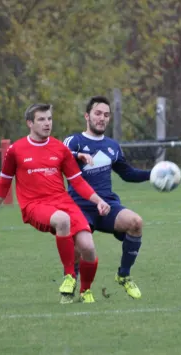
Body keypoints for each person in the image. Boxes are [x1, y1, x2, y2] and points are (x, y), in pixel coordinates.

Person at [0, 103, 111, 304]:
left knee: (88, 247)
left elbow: (77, 181)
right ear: (30, 123)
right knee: (62, 220)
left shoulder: (60, 148)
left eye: (49, 119)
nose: (47, 123)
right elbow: (3, 183)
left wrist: (98, 201)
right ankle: (69, 276)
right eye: (41, 119)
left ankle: (85, 292)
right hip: (34, 205)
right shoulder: (16, 150)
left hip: (63, 201)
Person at [63, 96, 151, 299]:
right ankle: (72, 281)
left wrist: (152, 175)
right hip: (80, 206)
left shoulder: (112, 146)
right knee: (81, 245)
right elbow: (60, 156)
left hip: (108, 205)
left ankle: (124, 275)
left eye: (106, 115)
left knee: (136, 222)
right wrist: (78, 156)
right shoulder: (74, 141)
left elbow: (127, 173)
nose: (102, 118)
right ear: (87, 116)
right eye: (97, 113)